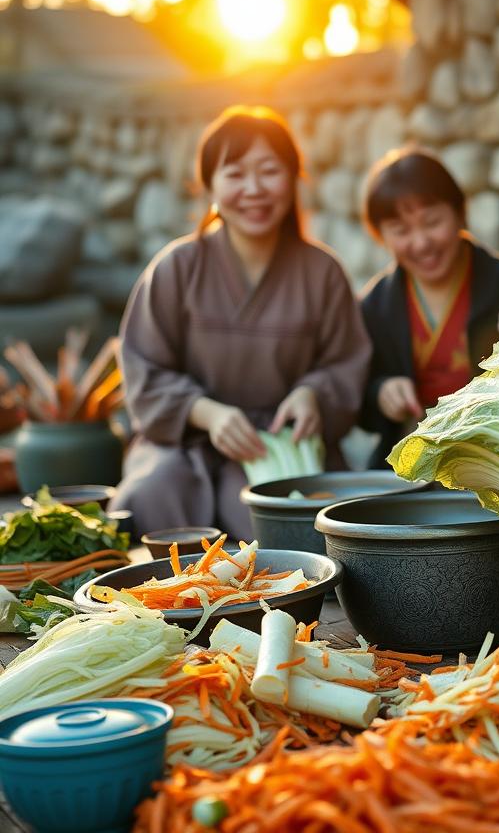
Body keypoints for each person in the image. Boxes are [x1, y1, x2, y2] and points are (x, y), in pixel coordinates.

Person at [112, 106, 371, 540]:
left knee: (288, 530)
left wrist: (313, 393)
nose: (254, 189)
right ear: (209, 184)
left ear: (293, 179)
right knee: (152, 495)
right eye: (234, 174)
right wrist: (206, 413)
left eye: (269, 171)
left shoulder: (322, 272)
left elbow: (346, 362)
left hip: (280, 446)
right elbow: (144, 369)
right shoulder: (176, 268)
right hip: (185, 442)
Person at [359, 147, 499, 468]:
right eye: (401, 231)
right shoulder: (376, 305)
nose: (421, 242)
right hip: (411, 467)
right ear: (381, 236)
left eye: (432, 222)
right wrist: (380, 393)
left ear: (461, 213)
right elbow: (357, 396)